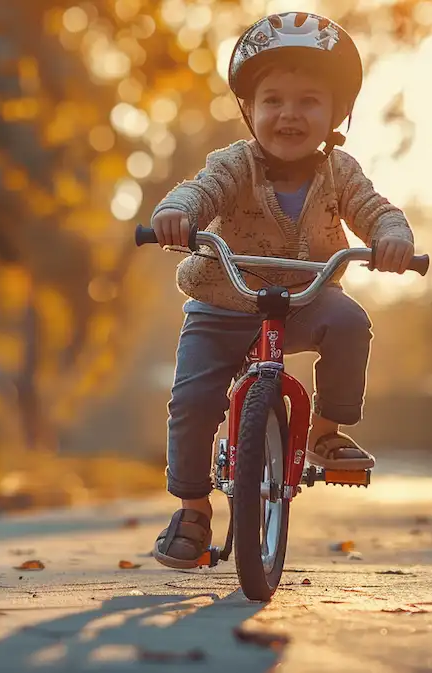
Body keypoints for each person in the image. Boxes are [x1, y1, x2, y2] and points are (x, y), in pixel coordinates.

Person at [149, 12, 416, 569]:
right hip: (223, 299)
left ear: (337, 113)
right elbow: (200, 192)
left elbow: (375, 211)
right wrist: (176, 214)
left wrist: (393, 239)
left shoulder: (341, 173)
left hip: (304, 299)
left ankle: (326, 431)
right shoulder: (234, 165)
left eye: (309, 101)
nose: (289, 115)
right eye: (273, 100)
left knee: (349, 323)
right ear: (249, 109)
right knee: (193, 400)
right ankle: (193, 510)